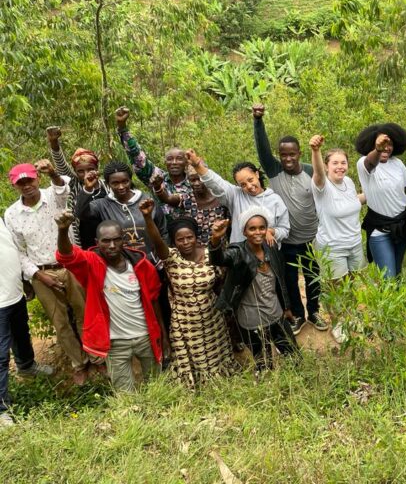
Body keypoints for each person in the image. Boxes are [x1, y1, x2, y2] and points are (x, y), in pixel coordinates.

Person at [55, 212, 166, 392]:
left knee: (157, 388)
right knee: (125, 395)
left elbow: (154, 302)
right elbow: (67, 255)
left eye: (116, 240)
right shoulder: (92, 264)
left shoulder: (142, 265)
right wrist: (63, 230)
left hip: (146, 337)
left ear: (124, 240)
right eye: (106, 241)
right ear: (97, 242)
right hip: (115, 343)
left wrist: (163, 336)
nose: (112, 245)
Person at [4, 161, 90, 385]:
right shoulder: (12, 214)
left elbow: (63, 188)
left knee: (84, 313)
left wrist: (52, 172)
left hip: (70, 266)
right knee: (60, 323)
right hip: (42, 273)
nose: (27, 186)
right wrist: (38, 275)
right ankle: (79, 363)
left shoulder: (53, 195)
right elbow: (19, 251)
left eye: (30, 180)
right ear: (14, 185)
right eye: (21, 183)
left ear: (37, 178)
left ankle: (95, 357)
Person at [140, 199, 238, 388]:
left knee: (216, 356)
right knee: (190, 359)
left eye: (189, 237)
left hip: (212, 319)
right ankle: (195, 388)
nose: (185, 242)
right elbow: (157, 241)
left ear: (196, 236)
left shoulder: (210, 254)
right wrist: (147, 217)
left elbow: (221, 282)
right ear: (174, 242)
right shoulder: (172, 258)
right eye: (180, 239)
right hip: (185, 323)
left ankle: (219, 386)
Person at [252, 104, 327, 334]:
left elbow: (325, 185)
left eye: (291, 154)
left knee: (313, 277)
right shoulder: (274, 171)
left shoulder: (309, 170)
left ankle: (314, 312)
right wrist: (258, 121)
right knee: (290, 281)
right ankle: (298, 315)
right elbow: (263, 150)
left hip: (312, 239)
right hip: (286, 241)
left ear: (299, 153)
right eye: (283, 154)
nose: (287, 158)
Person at [209, 209, 298, 370]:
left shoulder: (271, 247)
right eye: (252, 228)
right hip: (251, 321)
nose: (258, 232)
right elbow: (219, 259)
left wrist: (287, 307)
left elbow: (281, 280)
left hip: (276, 314)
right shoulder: (238, 252)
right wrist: (215, 239)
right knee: (263, 362)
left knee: (294, 356)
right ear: (244, 232)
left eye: (262, 228)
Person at [309, 135, 365, 343]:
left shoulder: (348, 182)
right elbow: (318, 174)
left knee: (351, 284)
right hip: (332, 246)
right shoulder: (322, 186)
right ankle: (337, 323)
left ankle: (350, 316)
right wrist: (315, 150)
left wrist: (374, 194)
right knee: (335, 287)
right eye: (335, 163)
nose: (340, 167)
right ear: (326, 165)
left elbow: (353, 201)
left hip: (354, 243)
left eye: (343, 163)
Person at [0, 218, 54, 427]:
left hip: (14, 294)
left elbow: (10, 252)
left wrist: (24, 282)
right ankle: (2, 409)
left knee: (21, 334)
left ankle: (27, 366)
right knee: (1, 355)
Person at [188, 151, 290, 247]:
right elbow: (215, 183)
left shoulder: (275, 200)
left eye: (250, 180)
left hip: (268, 255)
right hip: (239, 254)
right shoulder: (235, 195)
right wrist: (198, 166)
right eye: (243, 184)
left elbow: (284, 229)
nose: (249, 186)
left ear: (257, 174)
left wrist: (271, 231)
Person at [75, 161, 168, 266]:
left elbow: (163, 231)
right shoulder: (102, 205)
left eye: (125, 181)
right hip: (122, 267)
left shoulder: (147, 200)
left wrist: (162, 257)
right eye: (115, 183)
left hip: (153, 264)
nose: (121, 187)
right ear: (108, 184)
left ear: (130, 180)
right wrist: (88, 188)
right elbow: (81, 213)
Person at [355, 123, 406, 279]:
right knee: (388, 277)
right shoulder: (364, 163)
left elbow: (405, 187)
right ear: (372, 144)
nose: (386, 148)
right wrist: (378, 149)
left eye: (390, 144)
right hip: (379, 230)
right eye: (382, 144)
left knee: (397, 272)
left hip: (402, 225)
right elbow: (370, 163)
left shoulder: (398, 164)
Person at [115, 106, 191, 220]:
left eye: (179, 159)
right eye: (170, 159)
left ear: (186, 162)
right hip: (160, 230)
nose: (174, 162)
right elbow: (137, 156)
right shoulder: (157, 176)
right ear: (165, 162)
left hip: (188, 230)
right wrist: (122, 128)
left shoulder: (194, 182)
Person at [46, 125, 107, 248]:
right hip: (85, 241)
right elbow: (61, 165)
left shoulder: (107, 185)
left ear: (97, 168)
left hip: (109, 238)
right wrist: (54, 142)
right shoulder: (74, 183)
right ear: (75, 172)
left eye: (90, 169)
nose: (86, 174)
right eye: (80, 171)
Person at [150, 166, 230, 247]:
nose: (197, 183)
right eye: (193, 180)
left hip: (219, 249)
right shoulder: (187, 199)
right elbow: (167, 199)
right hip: (195, 251)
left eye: (200, 179)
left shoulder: (220, 197)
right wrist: (157, 187)